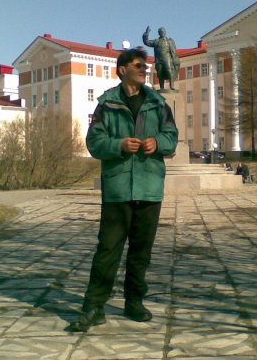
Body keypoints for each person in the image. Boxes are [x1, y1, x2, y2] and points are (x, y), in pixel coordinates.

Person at [68, 48, 179, 332]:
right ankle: (94, 307)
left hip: (150, 187)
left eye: (146, 66)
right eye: (139, 65)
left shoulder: (158, 103)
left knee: (141, 251)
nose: (145, 69)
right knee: (107, 250)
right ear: (122, 70)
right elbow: (94, 142)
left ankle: (134, 301)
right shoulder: (107, 104)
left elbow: (172, 137)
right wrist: (118, 145)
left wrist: (158, 142)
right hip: (117, 189)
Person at [142, 26, 181, 90]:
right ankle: (162, 87)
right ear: (159, 33)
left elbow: (173, 51)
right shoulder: (156, 41)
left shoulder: (169, 41)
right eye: (160, 32)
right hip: (158, 60)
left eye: (163, 31)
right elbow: (147, 42)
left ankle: (172, 85)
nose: (162, 33)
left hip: (167, 59)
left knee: (169, 71)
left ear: (165, 32)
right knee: (160, 73)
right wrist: (146, 34)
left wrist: (174, 59)